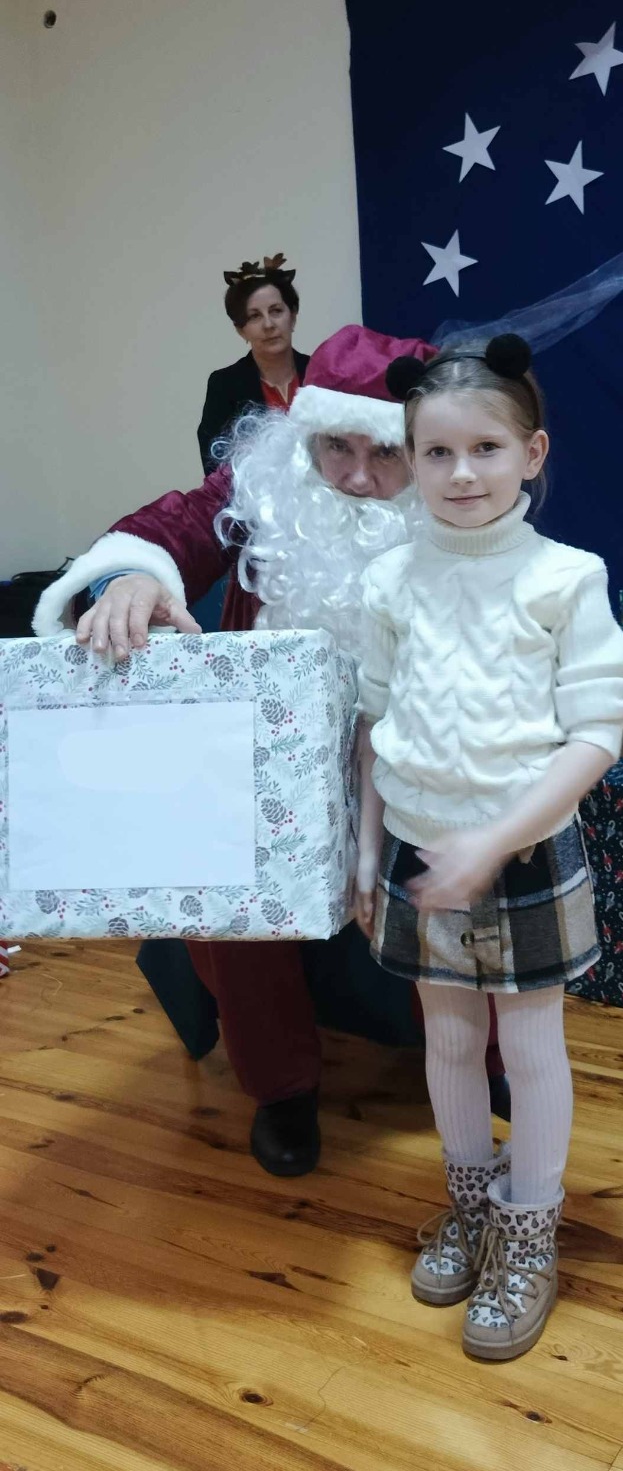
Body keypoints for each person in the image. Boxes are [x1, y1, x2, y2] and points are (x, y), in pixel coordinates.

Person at [34, 324, 508, 1175]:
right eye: (335, 448)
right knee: (231, 884)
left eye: (384, 454)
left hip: (420, 758)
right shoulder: (264, 485)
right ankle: (281, 1087)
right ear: (303, 437)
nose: (356, 478)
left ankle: (491, 1058)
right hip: (267, 764)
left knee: (470, 882)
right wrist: (128, 577)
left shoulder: (462, 500)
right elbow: (166, 527)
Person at [355, 335, 623, 1362]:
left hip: (523, 858)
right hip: (418, 853)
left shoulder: (565, 578)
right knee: (444, 1041)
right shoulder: (388, 579)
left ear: (532, 452)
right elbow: (376, 724)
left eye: (484, 448)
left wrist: (493, 840)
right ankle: (470, 1209)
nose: (461, 473)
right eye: (436, 452)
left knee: (526, 1046)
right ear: (409, 459)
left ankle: (527, 1236)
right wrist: (364, 850)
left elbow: (595, 736)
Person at [197, 254, 309, 474]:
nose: (268, 324)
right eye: (255, 316)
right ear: (241, 330)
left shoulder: (324, 373)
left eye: (276, 311)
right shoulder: (225, 385)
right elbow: (216, 467)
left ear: (293, 317)